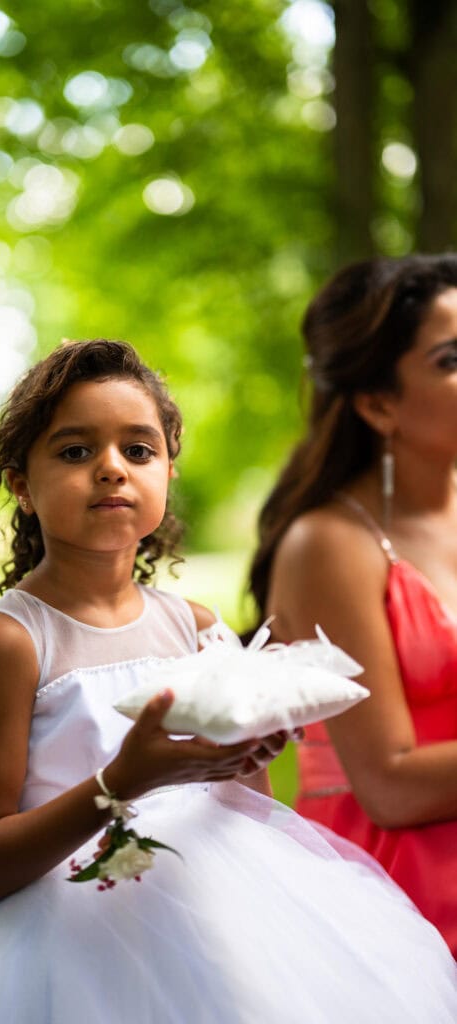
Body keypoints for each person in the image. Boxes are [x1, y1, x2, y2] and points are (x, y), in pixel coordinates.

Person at [0, 338, 456, 1024]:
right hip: (54, 930)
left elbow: (246, 811)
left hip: (215, 908)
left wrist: (241, 754)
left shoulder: (194, 627)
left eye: (138, 450)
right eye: (75, 452)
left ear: (166, 470)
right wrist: (122, 781)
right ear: (21, 484)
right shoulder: (13, 641)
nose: (111, 469)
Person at [248, 254, 457, 955]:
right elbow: (390, 787)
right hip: (400, 883)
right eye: (451, 358)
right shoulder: (329, 544)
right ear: (377, 404)